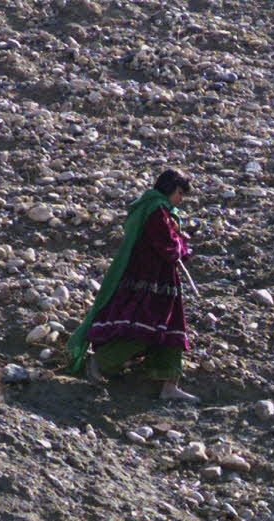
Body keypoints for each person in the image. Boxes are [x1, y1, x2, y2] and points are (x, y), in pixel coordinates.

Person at [66, 168, 197, 403]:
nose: (180, 199)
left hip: (163, 284)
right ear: (169, 189)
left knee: (170, 329)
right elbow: (166, 246)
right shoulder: (155, 210)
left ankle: (169, 384)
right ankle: (100, 361)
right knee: (146, 327)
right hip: (149, 282)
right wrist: (182, 246)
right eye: (179, 192)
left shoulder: (161, 210)